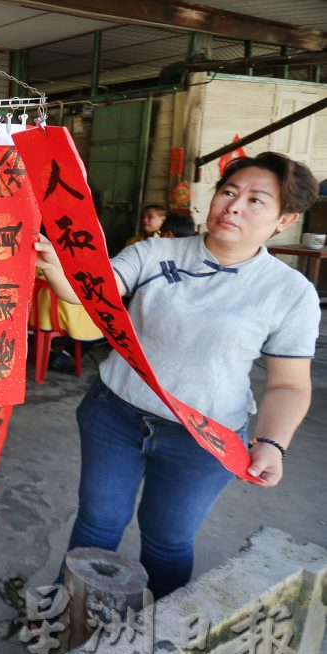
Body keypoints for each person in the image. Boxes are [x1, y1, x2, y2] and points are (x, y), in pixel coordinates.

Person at [36, 152, 320, 599]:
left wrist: (271, 444)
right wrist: (57, 268)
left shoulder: (289, 293)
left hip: (203, 439)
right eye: (229, 192)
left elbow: (288, 384)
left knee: (167, 542)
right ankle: (65, 615)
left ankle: (159, 638)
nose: (234, 206)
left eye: (255, 200)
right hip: (115, 417)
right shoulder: (156, 251)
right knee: (97, 525)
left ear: (284, 219)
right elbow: (96, 290)